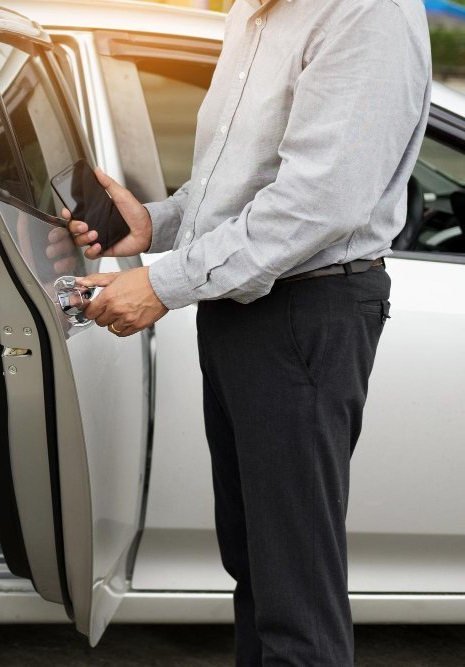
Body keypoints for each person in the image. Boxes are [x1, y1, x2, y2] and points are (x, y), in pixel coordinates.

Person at [64, 0, 431, 664]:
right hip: (242, 309)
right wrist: (157, 223)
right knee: (256, 573)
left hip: (304, 314)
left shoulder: (365, 11)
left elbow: (317, 204)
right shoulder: (251, 13)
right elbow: (238, 186)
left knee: (296, 605)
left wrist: (161, 283)